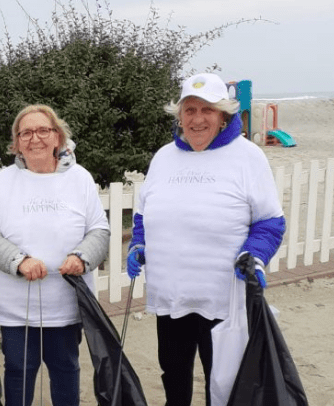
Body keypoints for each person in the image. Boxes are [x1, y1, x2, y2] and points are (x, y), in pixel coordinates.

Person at [126, 73, 286, 406]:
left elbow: (270, 221)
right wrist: (138, 243)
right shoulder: (163, 157)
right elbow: (143, 213)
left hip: (224, 298)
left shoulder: (247, 157)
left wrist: (253, 255)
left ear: (223, 115)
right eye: (189, 110)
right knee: (173, 374)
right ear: (180, 116)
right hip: (171, 296)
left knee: (224, 382)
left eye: (207, 110)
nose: (197, 119)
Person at [0, 104, 110, 406]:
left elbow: (99, 230)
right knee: (19, 371)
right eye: (25, 133)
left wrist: (81, 256)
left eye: (43, 130)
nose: (34, 138)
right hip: (16, 310)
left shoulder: (80, 178)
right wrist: (19, 260)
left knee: (65, 370)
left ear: (58, 137)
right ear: (16, 143)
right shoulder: (3, 181)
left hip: (64, 305)